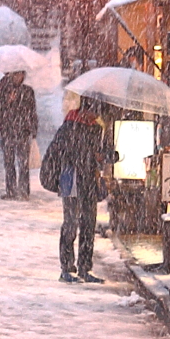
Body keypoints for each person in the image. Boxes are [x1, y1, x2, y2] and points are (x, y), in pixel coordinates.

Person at [39, 97, 117, 283]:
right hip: (71, 180)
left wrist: (109, 156)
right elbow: (62, 153)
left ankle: (84, 267)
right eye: (94, 112)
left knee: (88, 224)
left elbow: (106, 153)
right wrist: (91, 156)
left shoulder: (98, 129)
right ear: (85, 110)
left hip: (89, 180)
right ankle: (66, 268)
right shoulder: (69, 127)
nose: (96, 116)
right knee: (71, 224)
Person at [0, 70, 38, 199]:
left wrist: (33, 129)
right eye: (16, 74)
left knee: (23, 163)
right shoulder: (2, 91)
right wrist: (7, 102)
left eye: (20, 74)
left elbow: (32, 111)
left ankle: (24, 190)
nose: (18, 77)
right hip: (8, 130)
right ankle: (10, 190)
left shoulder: (27, 91)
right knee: (9, 162)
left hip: (23, 130)